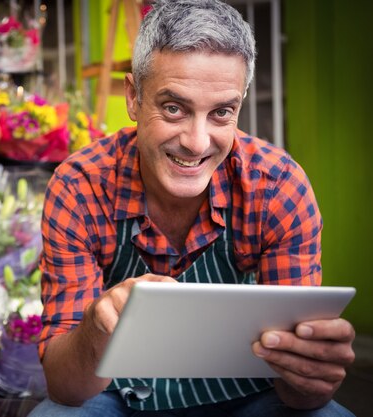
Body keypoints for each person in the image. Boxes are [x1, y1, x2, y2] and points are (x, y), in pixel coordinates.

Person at [27, 0, 356, 416]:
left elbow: (298, 395)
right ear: (133, 97)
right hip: (115, 396)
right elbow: (65, 388)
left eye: (221, 113)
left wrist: (311, 378)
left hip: (249, 397)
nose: (197, 143)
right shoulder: (80, 186)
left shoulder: (279, 189)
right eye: (173, 108)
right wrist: (95, 328)